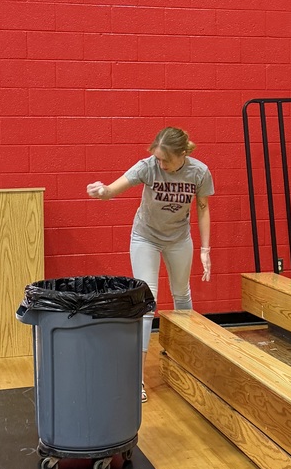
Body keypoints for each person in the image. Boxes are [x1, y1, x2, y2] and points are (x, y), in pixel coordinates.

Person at [87, 126, 214, 402]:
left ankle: (186, 359)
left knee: (182, 295)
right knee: (146, 303)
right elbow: (113, 189)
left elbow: (203, 209)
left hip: (179, 239)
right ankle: (136, 378)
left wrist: (206, 249)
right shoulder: (147, 167)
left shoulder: (199, 172)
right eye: (158, 158)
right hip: (145, 236)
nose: (161, 164)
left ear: (182, 154)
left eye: (166, 160)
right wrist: (101, 191)